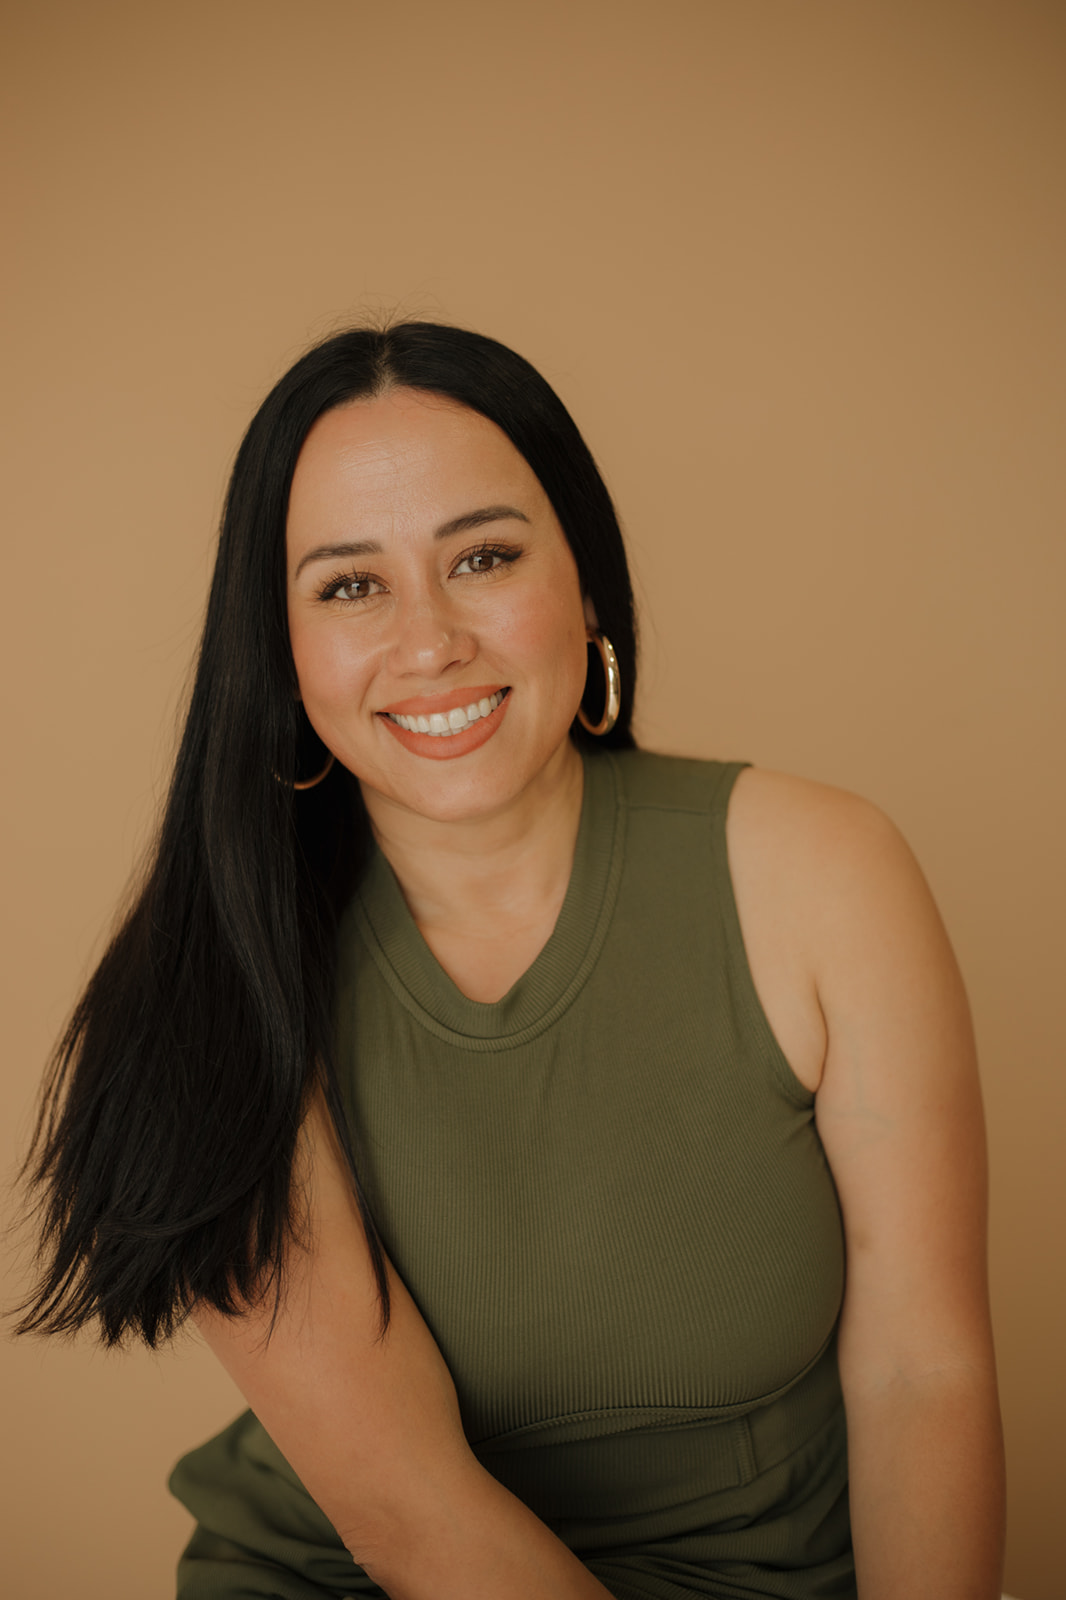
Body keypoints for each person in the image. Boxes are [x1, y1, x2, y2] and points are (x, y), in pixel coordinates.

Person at [18, 323, 1005, 1599]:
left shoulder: (822, 872)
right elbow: (411, 1513)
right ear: (281, 647)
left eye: (481, 557)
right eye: (349, 585)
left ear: (583, 578)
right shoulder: (206, 981)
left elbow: (922, 1372)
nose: (429, 643)